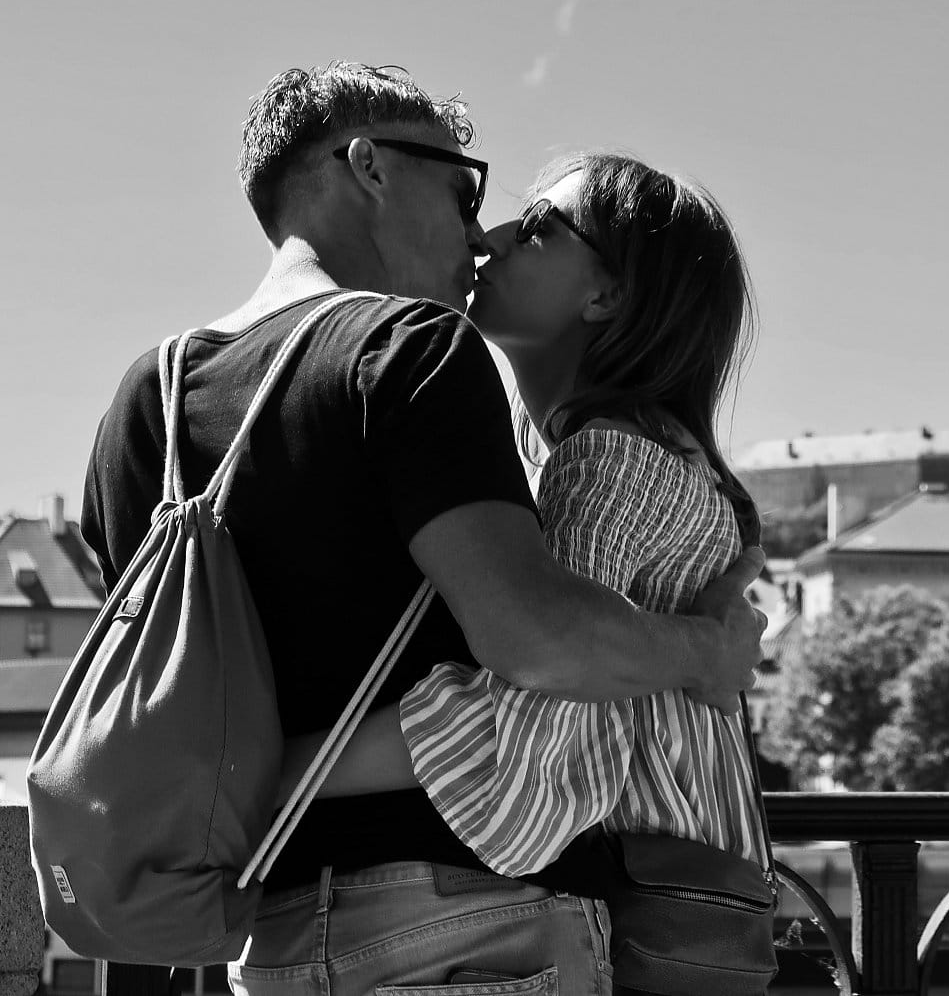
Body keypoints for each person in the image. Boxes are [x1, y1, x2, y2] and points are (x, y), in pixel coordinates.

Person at [79, 63, 767, 996]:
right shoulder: (412, 349)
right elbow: (540, 654)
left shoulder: (145, 399)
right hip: (465, 921)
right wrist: (704, 651)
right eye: (462, 189)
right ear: (368, 166)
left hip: (264, 933)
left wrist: (232, 785)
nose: (480, 233)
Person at [303, 149, 770, 947]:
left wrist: (280, 775)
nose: (489, 238)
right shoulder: (646, 450)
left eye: (539, 229)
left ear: (607, 293)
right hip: (690, 923)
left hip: (632, 933)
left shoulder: (606, 458)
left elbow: (528, 755)